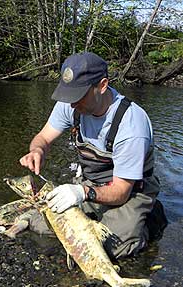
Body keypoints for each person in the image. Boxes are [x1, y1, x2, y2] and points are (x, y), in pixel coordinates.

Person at [20, 52, 167, 260]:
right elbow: (43, 137)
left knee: (111, 249)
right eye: (69, 96)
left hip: (130, 190)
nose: (72, 104)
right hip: (90, 184)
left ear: (103, 85)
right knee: (41, 224)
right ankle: (99, 216)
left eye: (78, 96)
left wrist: (82, 193)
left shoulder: (131, 125)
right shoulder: (71, 104)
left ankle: (149, 219)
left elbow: (122, 191)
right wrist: (37, 150)